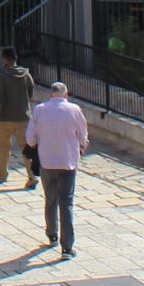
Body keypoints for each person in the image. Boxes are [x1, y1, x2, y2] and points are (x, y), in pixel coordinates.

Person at [24, 80, 90, 258]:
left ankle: (52, 234)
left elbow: (30, 138)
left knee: (50, 199)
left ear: (51, 94)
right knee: (66, 203)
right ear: (66, 94)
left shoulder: (40, 109)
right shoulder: (74, 110)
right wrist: (82, 147)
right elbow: (83, 135)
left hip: (47, 162)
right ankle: (67, 247)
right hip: (68, 162)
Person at [0, 46, 36, 187]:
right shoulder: (26, 74)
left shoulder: (2, 76)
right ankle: (32, 176)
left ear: (4, 58)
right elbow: (30, 92)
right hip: (24, 118)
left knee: (4, 147)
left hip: (5, 118)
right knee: (27, 148)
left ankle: (3, 175)